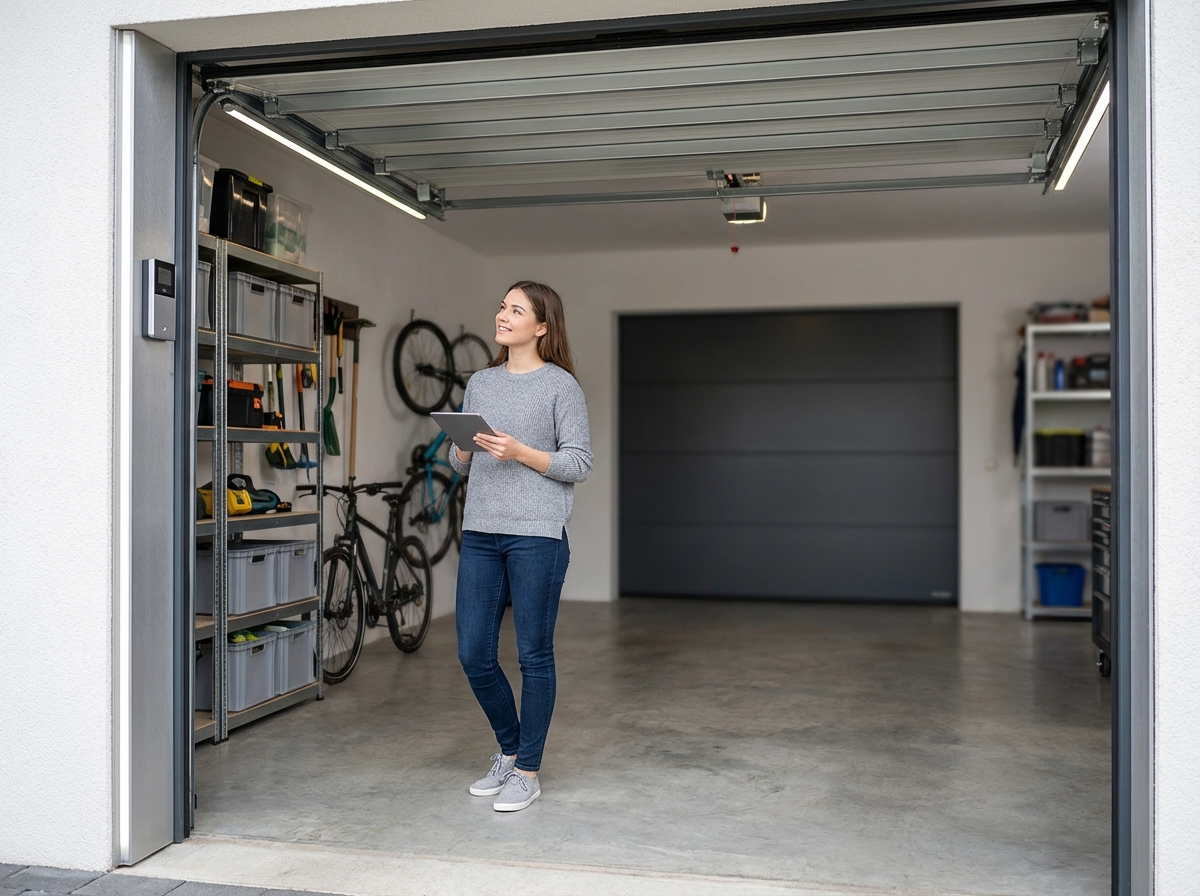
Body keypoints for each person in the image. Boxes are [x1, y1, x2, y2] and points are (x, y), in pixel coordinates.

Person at [449, 280, 593, 812]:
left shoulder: (561, 387)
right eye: (502, 306)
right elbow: (458, 460)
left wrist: (520, 451)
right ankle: (509, 752)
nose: (502, 315)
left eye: (516, 310)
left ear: (541, 326)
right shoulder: (480, 383)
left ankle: (527, 770)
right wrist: (463, 449)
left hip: (538, 535)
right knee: (473, 654)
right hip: (482, 530)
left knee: (534, 654)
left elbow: (578, 462)